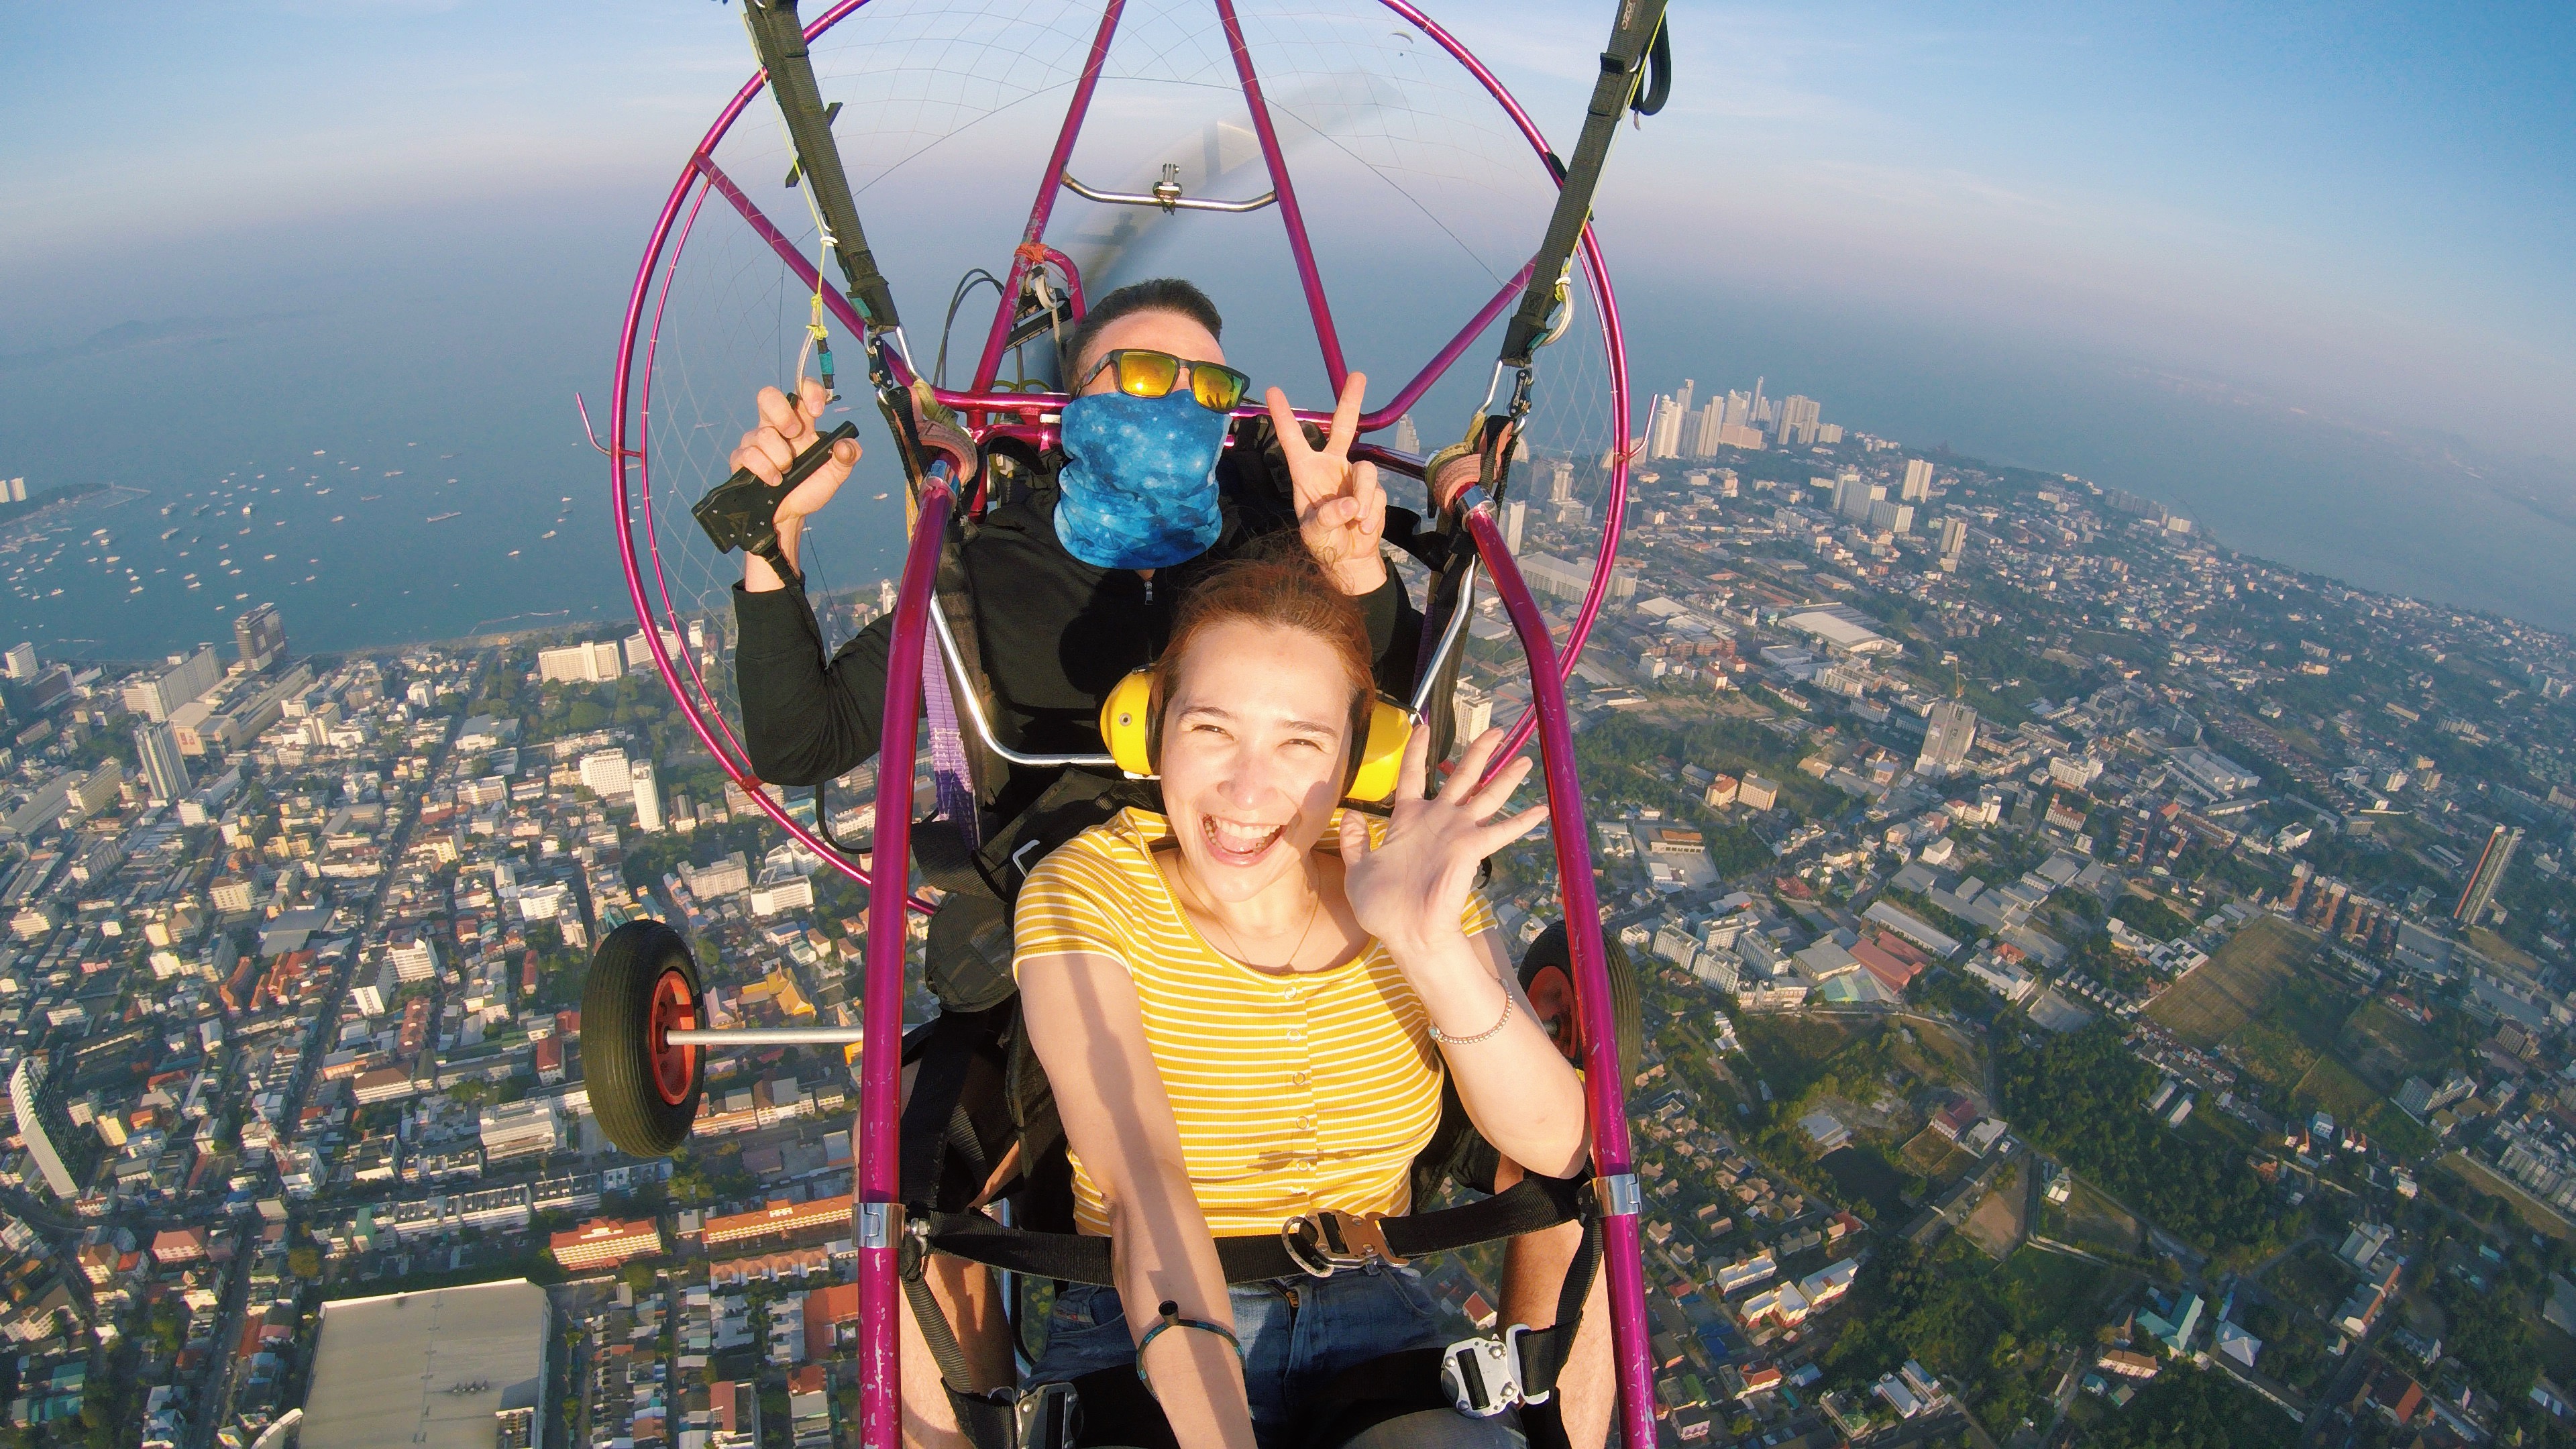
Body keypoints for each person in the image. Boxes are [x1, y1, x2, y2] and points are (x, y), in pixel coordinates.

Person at [1010, 553, 1585, 1448]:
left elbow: (1558, 1141)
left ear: (1358, 758)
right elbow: (1144, 1185)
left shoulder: (1408, 876)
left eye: (1300, 744)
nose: (1249, 791)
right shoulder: (1091, 891)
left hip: (1374, 1315)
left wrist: (1431, 949)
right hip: (1138, 1324)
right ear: (1151, 731)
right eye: (1211, 731)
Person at [730, 278, 1414, 830]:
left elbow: (1399, 699)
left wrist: (1352, 573)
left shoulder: (1275, 547)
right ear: (1075, 406)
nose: (1182, 398)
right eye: (1147, 373)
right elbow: (801, 743)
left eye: (1210, 385)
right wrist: (775, 531)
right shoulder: (991, 577)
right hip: (1062, 898)